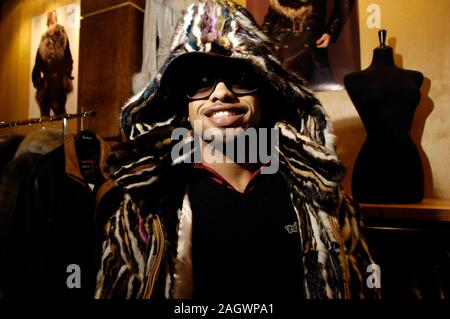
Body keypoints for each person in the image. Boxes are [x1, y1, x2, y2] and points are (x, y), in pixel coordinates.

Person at [95, 0, 377, 299]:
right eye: (201, 82)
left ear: (267, 90)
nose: (221, 93)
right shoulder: (142, 212)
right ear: (184, 106)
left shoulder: (322, 199)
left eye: (241, 77)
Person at [344, 30, 424, 203]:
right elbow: (268, 163)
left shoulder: (415, 77)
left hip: (408, 167)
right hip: (372, 166)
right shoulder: (353, 79)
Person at [262, 0, 355, 91]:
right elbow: (272, 13)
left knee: (327, 97)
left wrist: (330, 31)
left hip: (310, 44)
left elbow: (345, 3)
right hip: (279, 46)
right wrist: (263, 41)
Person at [32, 10, 74, 117]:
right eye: (48, 24)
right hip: (46, 86)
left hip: (59, 84)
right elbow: (37, 65)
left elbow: (68, 58)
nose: (50, 26)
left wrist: (67, 73)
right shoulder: (43, 42)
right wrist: (38, 82)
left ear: (56, 22)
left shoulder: (62, 38)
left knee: (61, 116)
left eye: (52, 23)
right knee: (44, 119)